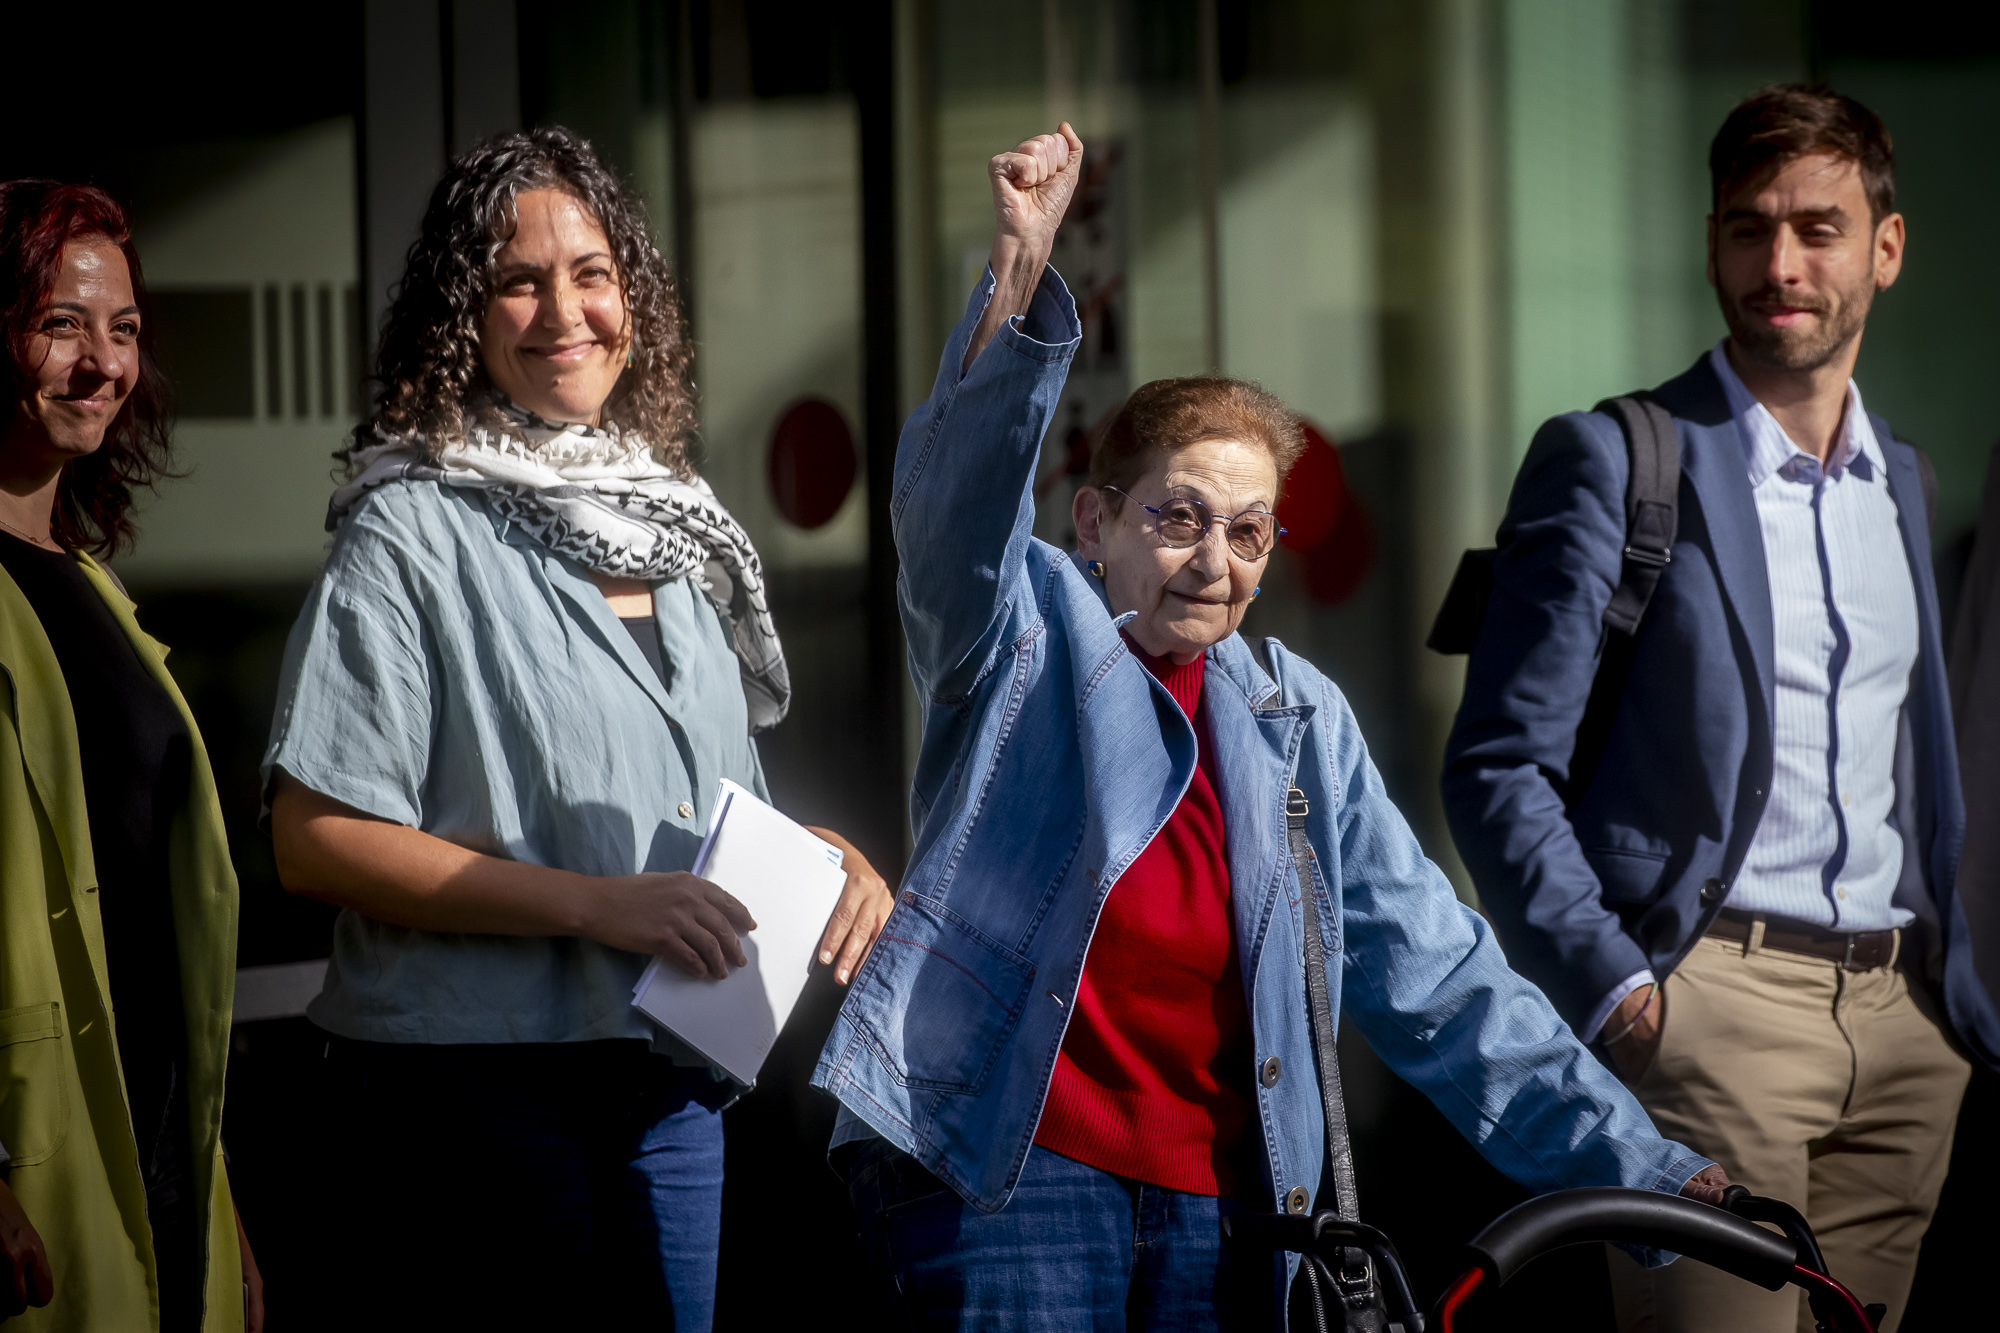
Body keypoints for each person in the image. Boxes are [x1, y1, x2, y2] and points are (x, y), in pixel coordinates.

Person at [811, 122, 1727, 1332]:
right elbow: (950, 519)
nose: (1214, 559)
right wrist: (1022, 273)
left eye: (1248, 532)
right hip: (1008, 1188)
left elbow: (1437, 976)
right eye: (1178, 515)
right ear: (1093, 520)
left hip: (1225, 1215)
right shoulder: (1022, 632)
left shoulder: (1291, 715)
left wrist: (1640, 1164)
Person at [262, 128, 893, 1331]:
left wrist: (831, 864)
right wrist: (594, 903)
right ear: (468, 316)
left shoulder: (674, 533)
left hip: (668, 1085)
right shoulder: (406, 530)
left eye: (592, 272)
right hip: (473, 1091)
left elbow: (706, 815)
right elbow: (315, 839)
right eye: (519, 278)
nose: (566, 309)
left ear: (634, 299)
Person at [1442, 85, 1999, 1333]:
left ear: (1886, 249)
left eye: (1818, 227)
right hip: (1709, 1015)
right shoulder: (1614, 457)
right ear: (1709, 244)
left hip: (1902, 1031)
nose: (1779, 263)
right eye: (1748, 228)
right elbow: (1493, 765)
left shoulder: (1897, 479)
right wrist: (1619, 997)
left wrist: (1949, 998)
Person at [0, 181, 261, 1331]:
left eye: (123, 329)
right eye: (60, 322)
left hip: (158, 1156)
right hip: (36, 1165)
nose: (101, 362)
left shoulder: (92, 586)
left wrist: (224, 1210)